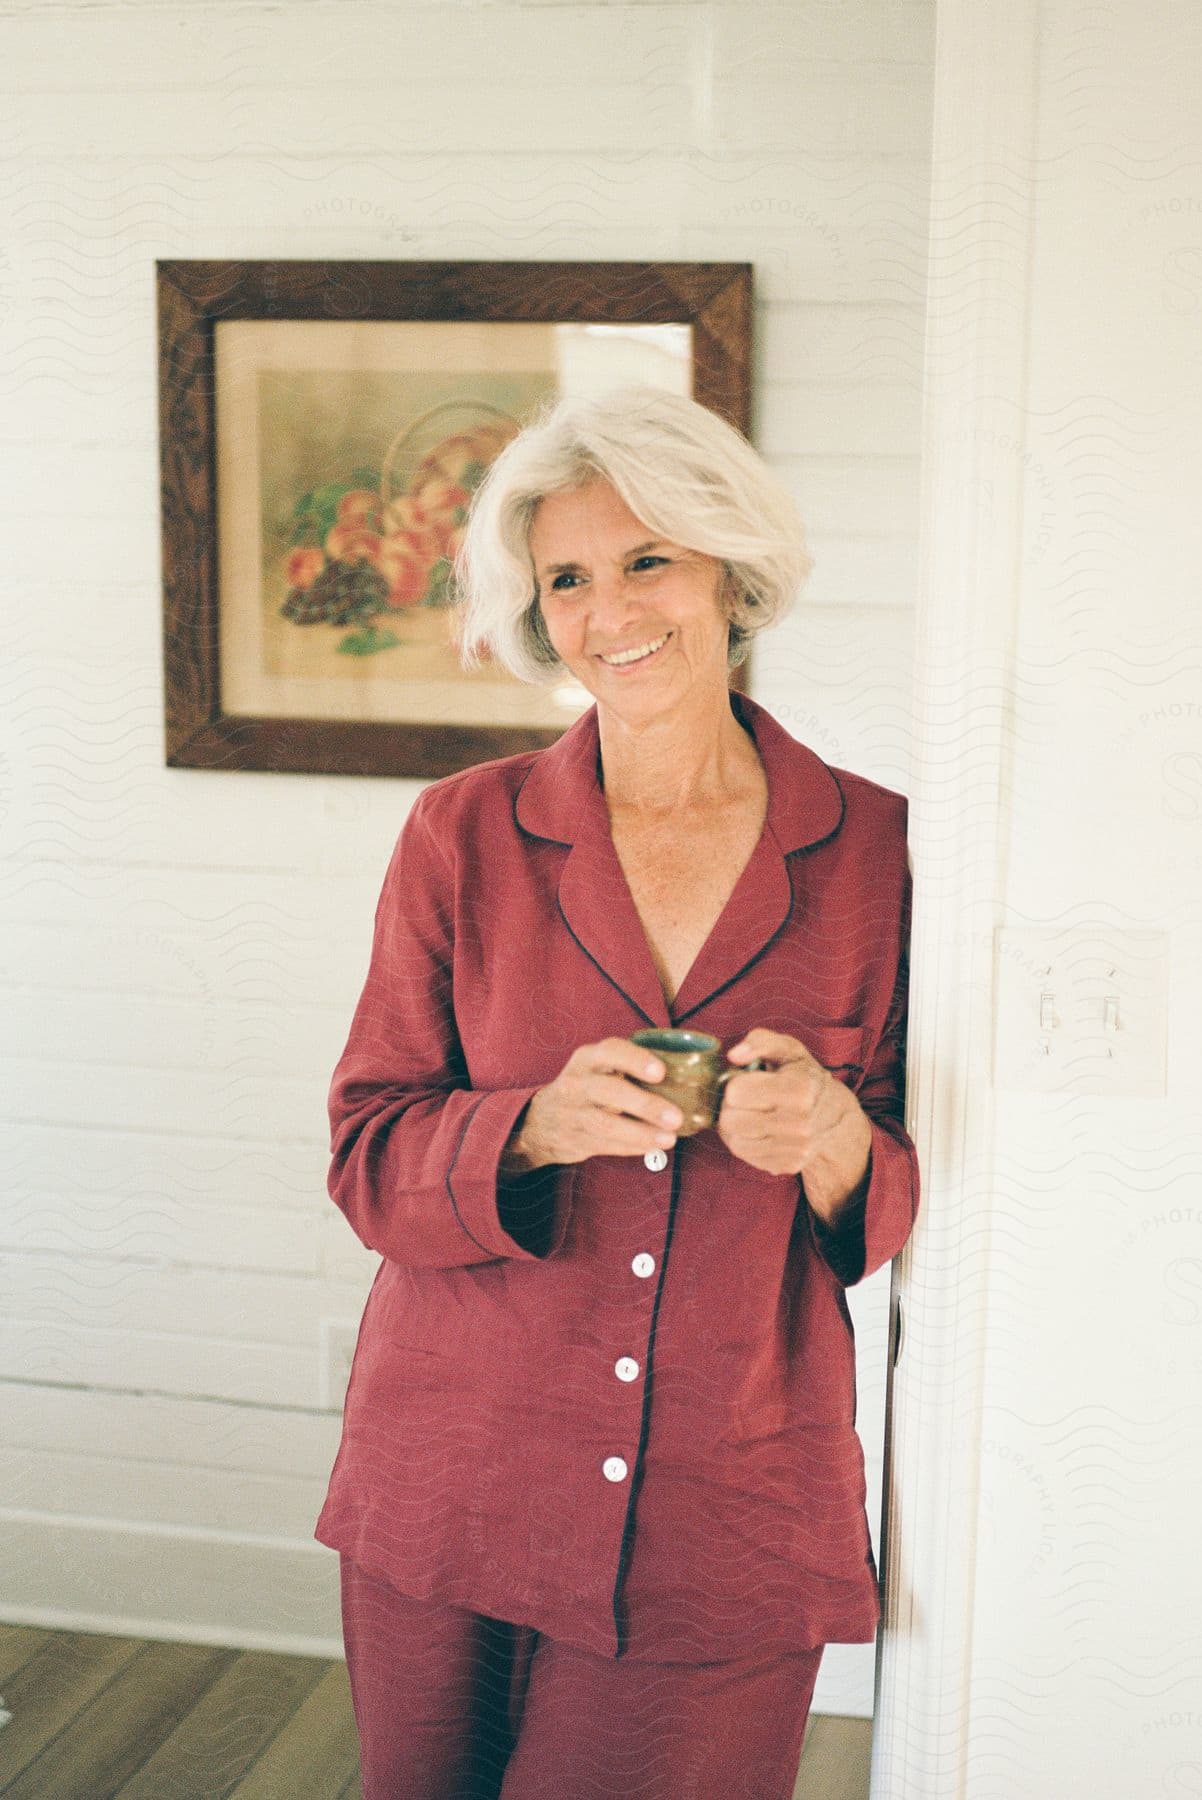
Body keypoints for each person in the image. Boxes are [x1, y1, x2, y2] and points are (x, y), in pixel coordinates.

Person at [313, 385, 920, 1798]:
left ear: (728, 568)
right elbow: (365, 1155)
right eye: (567, 579)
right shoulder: (461, 836)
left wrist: (833, 1138)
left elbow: (894, 1189)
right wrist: (527, 1124)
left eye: (646, 558)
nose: (609, 611)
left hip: (729, 1510)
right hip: (452, 1474)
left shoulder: (883, 854)